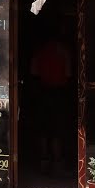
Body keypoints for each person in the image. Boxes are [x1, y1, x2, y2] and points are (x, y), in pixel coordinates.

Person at [30, 27, 72, 173]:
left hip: (43, 91)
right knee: (57, 129)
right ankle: (57, 161)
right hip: (59, 92)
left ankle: (44, 159)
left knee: (44, 128)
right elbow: (68, 74)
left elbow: (34, 73)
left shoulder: (39, 52)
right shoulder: (64, 52)